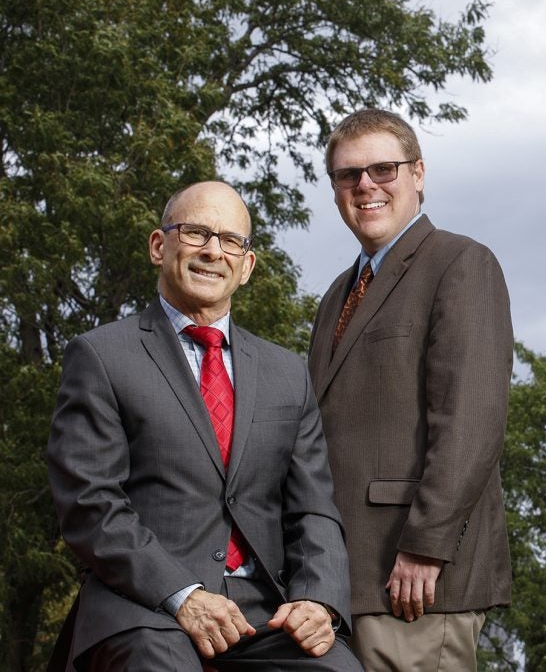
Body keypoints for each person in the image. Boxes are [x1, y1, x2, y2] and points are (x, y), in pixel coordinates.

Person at [47, 181, 362, 671]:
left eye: (231, 240)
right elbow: (90, 503)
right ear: (159, 245)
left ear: (247, 265)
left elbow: (314, 511)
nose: (213, 251)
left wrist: (318, 600)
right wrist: (182, 594)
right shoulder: (102, 356)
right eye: (196, 233)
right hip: (144, 609)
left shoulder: (287, 373)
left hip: (263, 614)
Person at [308, 109, 514, 670]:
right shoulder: (335, 295)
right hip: (342, 583)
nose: (365, 185)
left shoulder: (461, 263)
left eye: (383, 169)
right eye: (349, 175)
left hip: (418, 582)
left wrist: (426, 546)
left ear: (418, 173)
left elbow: (471, 423)